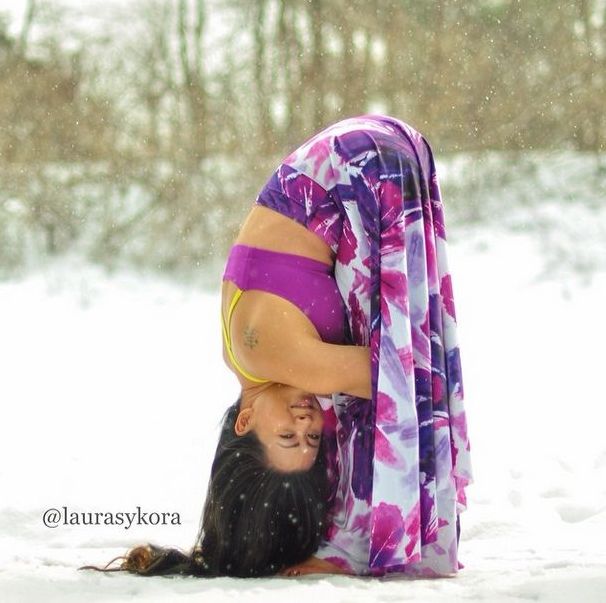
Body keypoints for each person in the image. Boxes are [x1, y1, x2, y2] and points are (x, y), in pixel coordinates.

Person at [79, 113, 473, 579]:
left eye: (288, 435)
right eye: (310, 439)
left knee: (385, 400)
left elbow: (404, 384)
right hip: (358, 155)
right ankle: (357, 536)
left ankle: (355, 542)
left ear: (245, 421)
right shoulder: (242, 358)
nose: (308, 423)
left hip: (359, 166)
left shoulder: (268, 354)